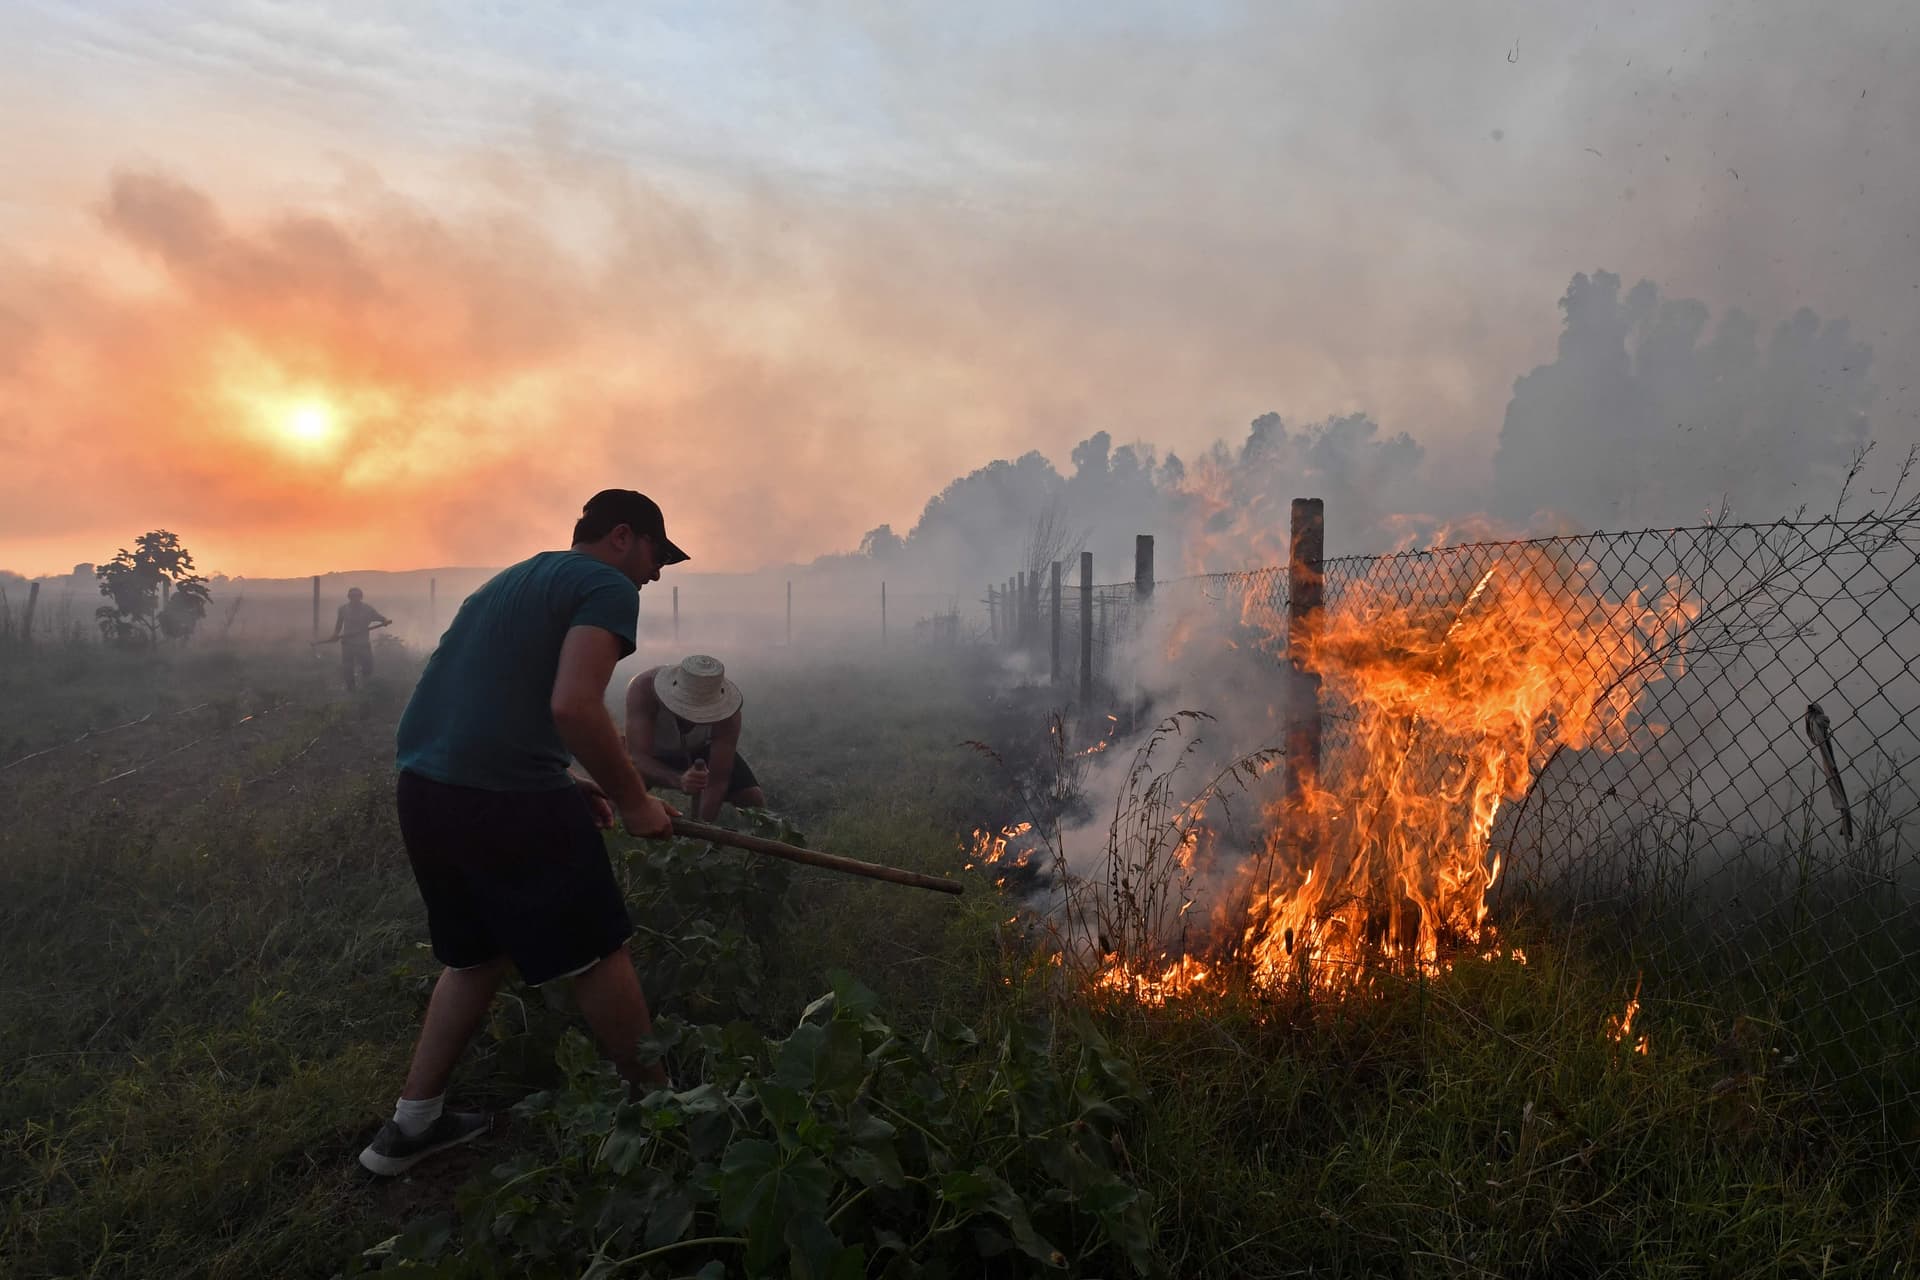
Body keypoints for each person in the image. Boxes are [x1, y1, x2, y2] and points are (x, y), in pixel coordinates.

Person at [358, 489, 690, 1178]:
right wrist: (634, 801)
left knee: (476, 956)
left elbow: (485, 700)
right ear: (623, 536)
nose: (656, 575)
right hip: (501, 800)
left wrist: (566, 779)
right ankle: (668, 1120)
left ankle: (412, 1125)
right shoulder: (603, 582)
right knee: (597, 948)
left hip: (426, 787)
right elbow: (573, 703)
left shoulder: (512, 582)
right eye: (656, 556)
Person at [625, 655, 767, 820]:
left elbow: (717, 780)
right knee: (611, 790)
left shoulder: (729, 712)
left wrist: (700, 832)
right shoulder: (643, 688)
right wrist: (679, 780)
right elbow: (637, 758)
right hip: (652, 752)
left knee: (752, 798)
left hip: (701, 750)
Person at [332, 587, 392, 690]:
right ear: (349, 597)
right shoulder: (343, 609)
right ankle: (351, 690)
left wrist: (385, 621)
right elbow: (339, 625)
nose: (354, 598)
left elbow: (380, 618)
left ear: (361, 597)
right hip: (348, 644)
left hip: (362, 644)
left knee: (367, 666)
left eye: (357, 596)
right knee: (348, 668)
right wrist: (335, 635)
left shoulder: (368, 609)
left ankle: (367, 688)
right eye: (352, 596)